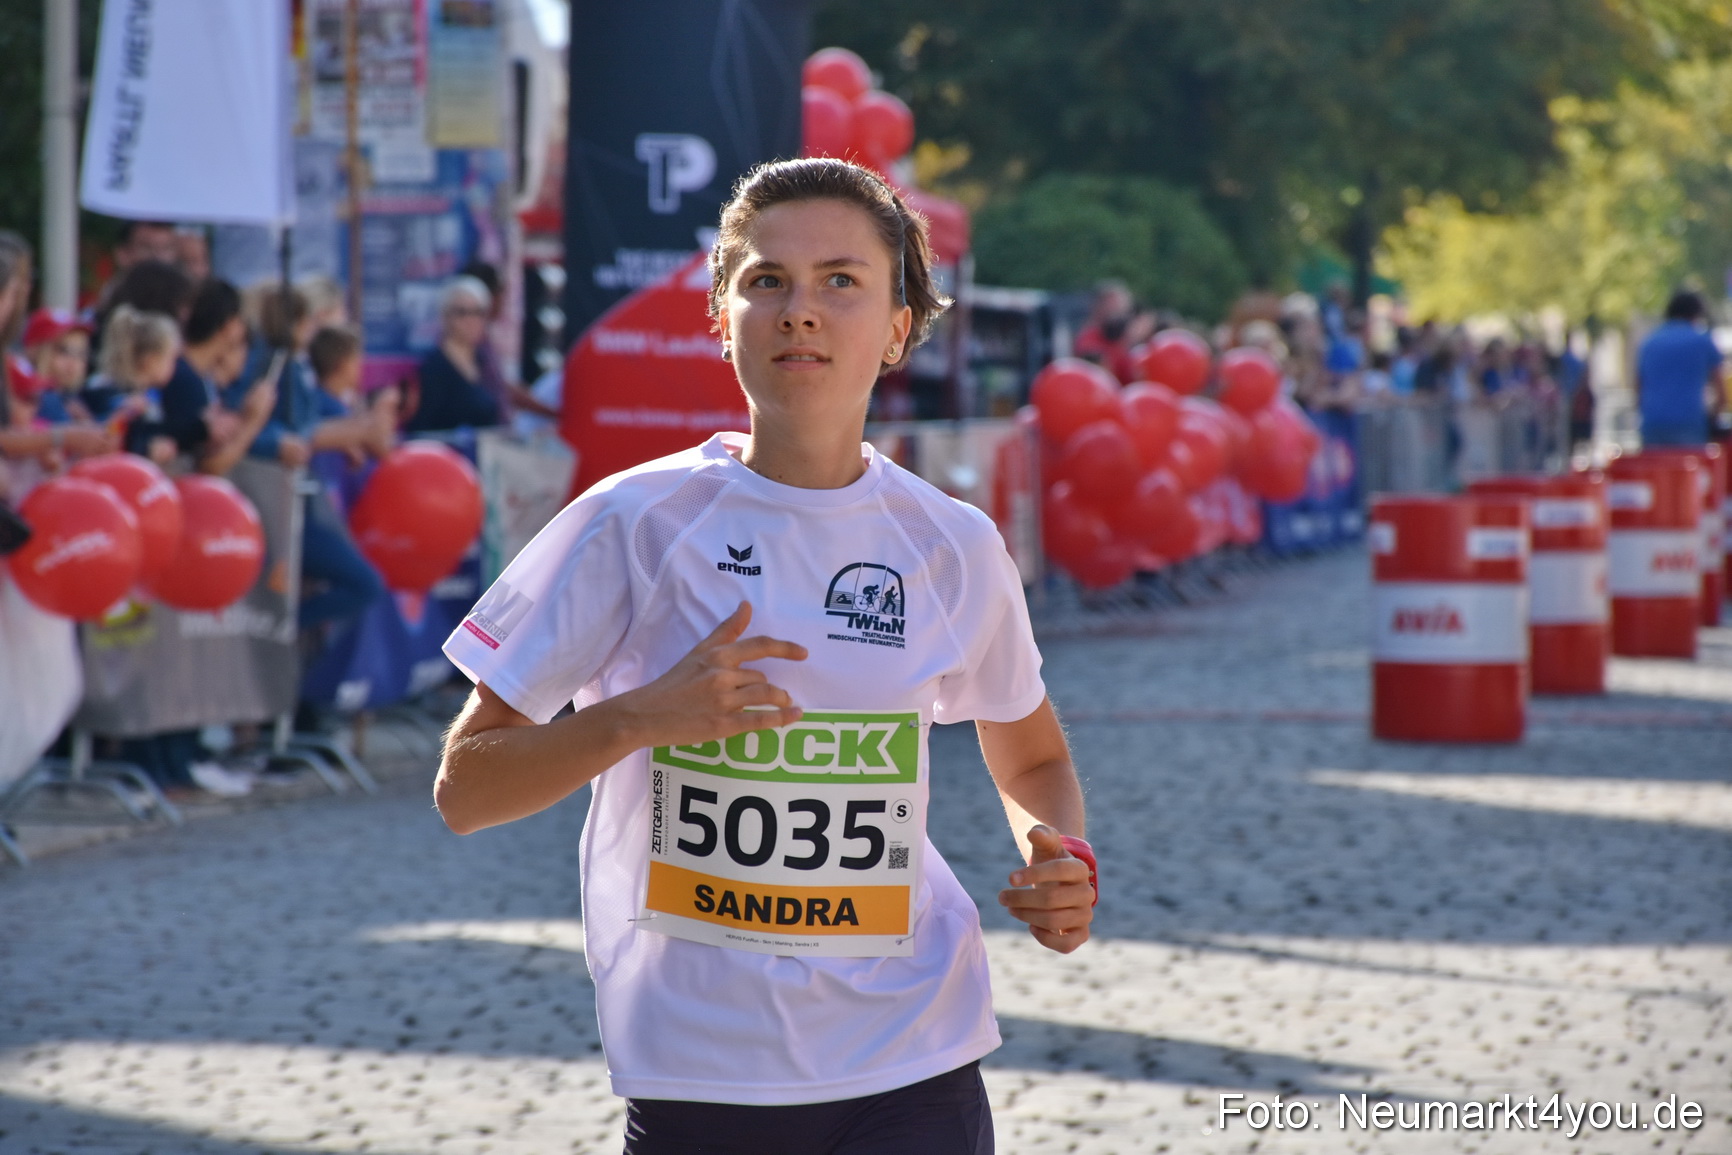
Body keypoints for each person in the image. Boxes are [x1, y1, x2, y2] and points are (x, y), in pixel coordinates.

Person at [435, 157, 1095, 1154]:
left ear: (898, 329)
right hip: (701, 1070)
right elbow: (464, 788)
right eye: (767, 281)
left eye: (841, 281)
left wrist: (1061, 854)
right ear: (722, 316)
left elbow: (1032, 753)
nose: (801, 310)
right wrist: (638, 717)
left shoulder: (951, 543)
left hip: (913, 1057)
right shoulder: (632, 522)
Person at [81, 306, 181, 466]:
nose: (176, 366)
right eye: (171, 358)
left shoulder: (148, 396)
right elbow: (109, 436)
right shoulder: (108, 391)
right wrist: (147, 450)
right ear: (150, 360)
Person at [406, 277, 506, 432]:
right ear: (445, 316)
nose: (471, 320)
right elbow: (422, 427)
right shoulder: (435, 368)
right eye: (462, 312)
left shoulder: (486, 362)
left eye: (478, 312)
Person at [1636, 290, 1724, 447]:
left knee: (1656, 463)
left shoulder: (1649, 343)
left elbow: (1639, 387)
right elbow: (1720, 391)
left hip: (1653, 423)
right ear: (1696, 314)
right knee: (1688, 462)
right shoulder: (1702, 341)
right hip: (1690, 422)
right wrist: (1713, 417)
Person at [22, 308, 95, 424]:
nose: (73, 362)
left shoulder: (70, 397)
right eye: (63, 351)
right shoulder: (41, 398)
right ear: (36, 352)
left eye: (81, 353)